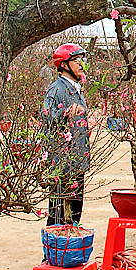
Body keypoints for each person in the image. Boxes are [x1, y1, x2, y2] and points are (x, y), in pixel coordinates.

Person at [43, 43, 90, 226]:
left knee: (75, 213)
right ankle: (53, 246)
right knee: (57, 216)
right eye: (77, 60)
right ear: (64, 65)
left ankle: (70, 243)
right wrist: (65, 113)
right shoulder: (57, 89)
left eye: (82, 60)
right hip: (62, 163)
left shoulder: (76, 88)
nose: (81, 64)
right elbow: (46, 117)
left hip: (76, 160)